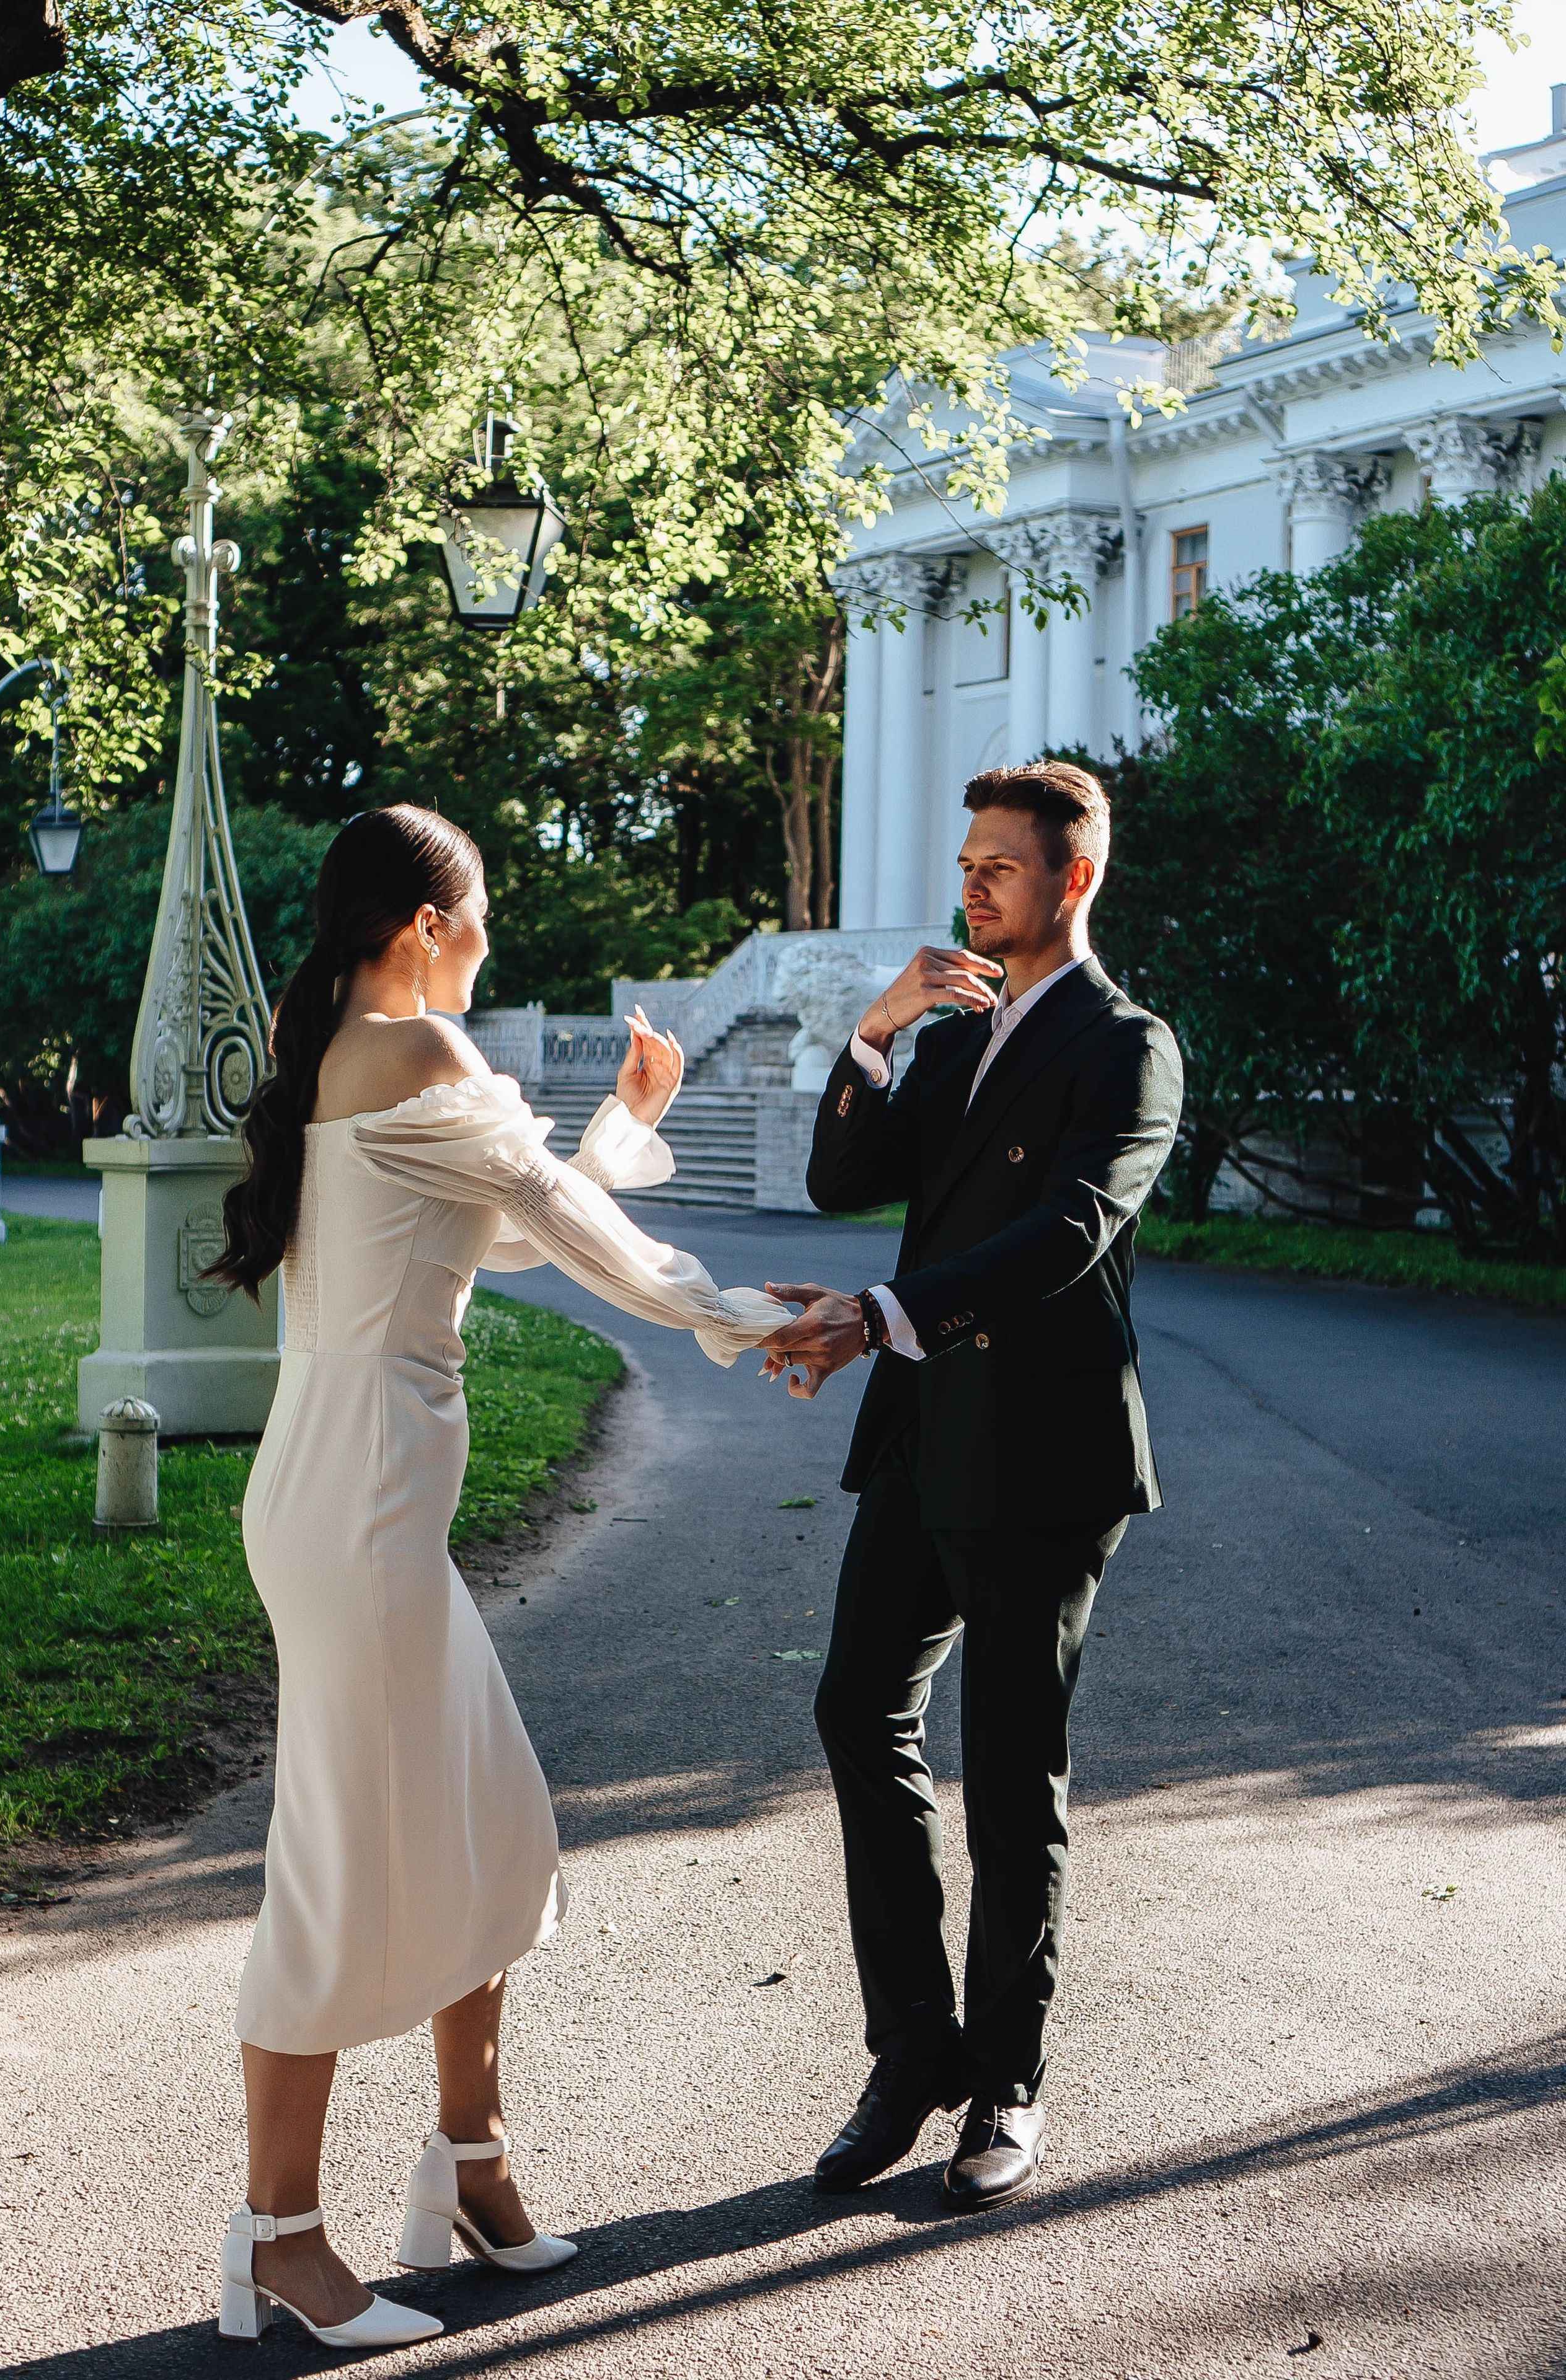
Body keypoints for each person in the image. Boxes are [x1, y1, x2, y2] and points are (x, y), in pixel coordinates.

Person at [206, 804, 789, 2348]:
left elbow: (512, 1224)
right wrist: (735, 1313)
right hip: (361, 1515)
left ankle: (468, 2169)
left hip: (350, 1505)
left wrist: (617, 1132)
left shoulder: (356, 1052)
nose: (488, 945)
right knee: (338, 1867)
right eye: (481, 918)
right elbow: (565, 1231)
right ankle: (278, 2237)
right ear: (425, 927)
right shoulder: (417, 1050)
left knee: (495, 1833)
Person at [760, 759, 1183, 2211]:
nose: (971, 886)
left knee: (1009, 1770)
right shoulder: (947, 1039)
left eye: (998, 865)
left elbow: (1066, 1232)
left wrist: (878, 1317)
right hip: (923, 1437)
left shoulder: (1125, 1047)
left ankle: (1005, 2080)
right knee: (856, 1708)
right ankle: (911, 2058)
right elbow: (838, 1183)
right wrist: (873, 1034)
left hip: (1045, 1455)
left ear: (1074, 878)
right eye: (965, 864)